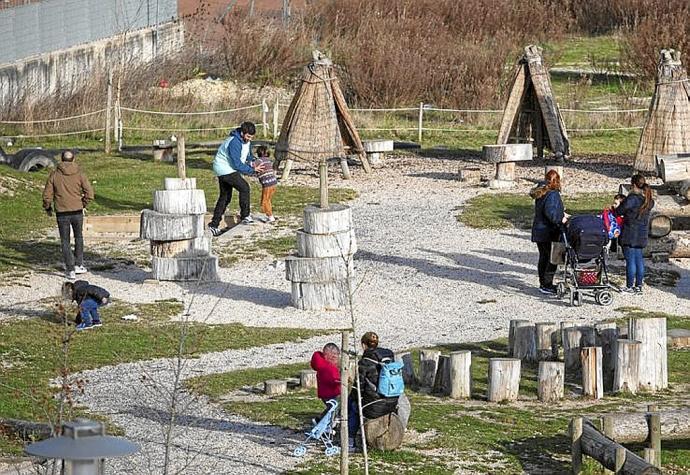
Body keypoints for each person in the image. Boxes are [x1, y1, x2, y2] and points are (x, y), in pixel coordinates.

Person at [42, 150, 94, 280]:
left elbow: (47, 195)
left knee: (65, 240)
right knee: (79, 237)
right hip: (77, 211)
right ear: (74, 159)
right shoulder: (80, 174)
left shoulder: (54, 175)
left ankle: (70, 269)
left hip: (61, 212)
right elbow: (89, 193)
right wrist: (83, 204)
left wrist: (47, 208)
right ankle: (78, 264)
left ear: (61, 159)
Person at [208, 122, 267, 235]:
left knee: (225, 197)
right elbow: (237, 164)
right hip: (224, 168)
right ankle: (245, 216)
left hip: (228, 168)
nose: (249, 139)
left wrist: (254, 162)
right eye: (248, 136)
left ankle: (213, 225)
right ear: (242, 133)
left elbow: (247, 156)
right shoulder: (234, 142)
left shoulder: (246, 141)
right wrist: (253, 171)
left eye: (251, 137)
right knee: (244, 187)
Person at [348, 332, 399, 449]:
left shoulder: (365, 362)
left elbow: (358, 387)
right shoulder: (389, 357)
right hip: (392, 402)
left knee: (354, 406)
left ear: (363, 345)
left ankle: (350, 439)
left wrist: (352, 398)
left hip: (375, 406)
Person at [530, 169, 568, 294]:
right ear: (557, 181)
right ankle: (547, 284)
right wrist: (561, 219)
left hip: (539, 230)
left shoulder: (541, 192)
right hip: (549, 231)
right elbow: (551, 213)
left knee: (544, 257)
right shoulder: (552, 194)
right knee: (554, 258)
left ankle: (543, 283)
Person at [615, 175, 654, 294]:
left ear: (633, 185)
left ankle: (629, 286)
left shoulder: (631, 199)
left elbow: (619, 211)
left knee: (630, 261)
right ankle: (638, 286)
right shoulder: (648, 200)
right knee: (639, 260)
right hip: (642, 234)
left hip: (630, 234)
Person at [310, 343, 341, 419]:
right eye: (334, 356)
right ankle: (324, 422)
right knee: (335, 407)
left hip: (324, 393)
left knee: (331, 408)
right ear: (330, 355)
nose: (336, 358)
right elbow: (333, 380)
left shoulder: (321, 364)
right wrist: (342, 381)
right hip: (331, 393)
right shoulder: (328, 368)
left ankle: (321, 420)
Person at [254, 145, 278, 223]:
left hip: (267, 184)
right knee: (268, 200)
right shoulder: (268, 160)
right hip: (274, 182)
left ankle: (270, 217)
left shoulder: (259, 161)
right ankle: (270, 215)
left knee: (264, 202)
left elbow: (251, 165)